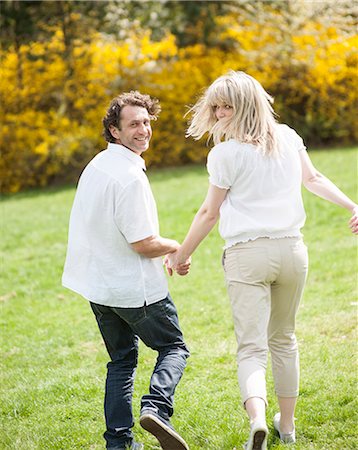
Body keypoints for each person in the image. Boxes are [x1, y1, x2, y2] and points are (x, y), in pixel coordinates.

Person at [166, 71, 358, 450]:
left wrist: (180, 254)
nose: (220, 113)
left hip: (246, 255)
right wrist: (352, 204)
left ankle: (259, 421)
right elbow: (314, 178)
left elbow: (209, 213)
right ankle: (284, 427)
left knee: (252, 347)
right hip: (292, 252)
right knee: (284, 340)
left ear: (245, 106)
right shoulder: (287, 137)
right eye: (216, 106)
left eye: (226, 106)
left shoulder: (224, 154)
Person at [62, 91, 191, 450]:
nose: (144, 130)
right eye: (134, 124)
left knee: (121, 362)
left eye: (147, 122)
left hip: (99, 289)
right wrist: (176, 246)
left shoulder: (97, 166)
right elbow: (143, 243)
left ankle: (118, 444)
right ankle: (156, 409)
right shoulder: (129, 178)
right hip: (134, 290)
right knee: (174, 348)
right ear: (114, 131)